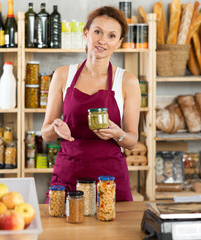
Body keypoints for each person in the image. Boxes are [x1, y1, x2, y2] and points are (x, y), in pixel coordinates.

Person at [41, 6, 141, 202]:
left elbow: (132, 141)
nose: (103, 40)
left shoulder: (128, 81)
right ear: (86, 33)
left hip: (110, 178)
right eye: (97, 32)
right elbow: (46, 133)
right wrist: (56, 128)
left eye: (111, 36)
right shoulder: (63, 75)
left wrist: (118, 133)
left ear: (119, 43)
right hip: (68, 173)